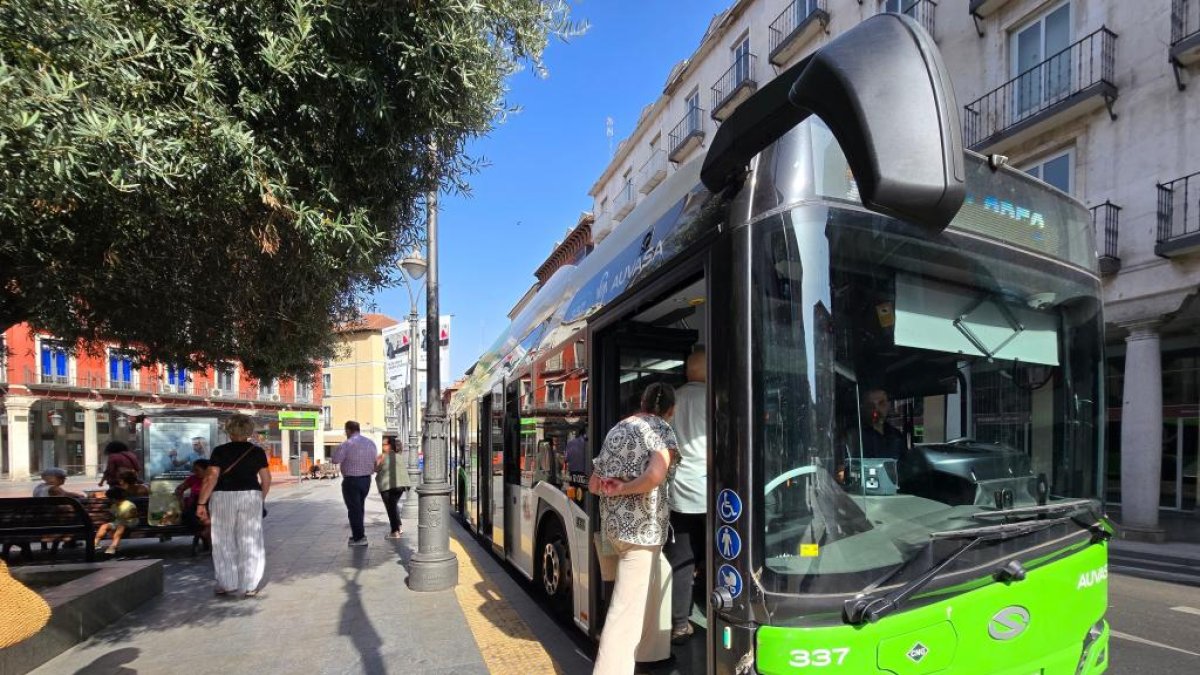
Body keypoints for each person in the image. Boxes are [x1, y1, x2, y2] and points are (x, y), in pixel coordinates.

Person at [590, 382, 679, 675]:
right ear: (671, 410)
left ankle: (652, 651)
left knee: (659, 576)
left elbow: (594, 484)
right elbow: (655, 475)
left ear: (641, 402)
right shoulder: (661, 429)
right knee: (624, 615)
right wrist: (626, 488)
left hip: (613, 529)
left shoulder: (617, 430)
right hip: (641, 533)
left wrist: (612, 485)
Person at [197, 414, 271, 597]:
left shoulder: (220, 451)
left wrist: (201, 502)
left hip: (223, 496)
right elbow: (266, 479)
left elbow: (211, 477)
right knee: (251, 539)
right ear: (249, 431)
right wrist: (260, 498)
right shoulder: (257, 451)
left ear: (229, 431)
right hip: (251, 495)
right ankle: (250, 584)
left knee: (223, 539)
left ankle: (227, 583)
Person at [664, 349, 707, 643]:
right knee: (719, 554)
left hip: (679, 492)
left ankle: (679, 623)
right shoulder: (717, 397)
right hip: (711, 491)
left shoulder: (673, 401)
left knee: (682, 558)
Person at [332, 420, 378, 547]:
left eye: (345, 431)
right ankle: (358, 534)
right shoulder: (371, 443)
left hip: (351, 481)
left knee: (354, 509)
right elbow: (375, 463)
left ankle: (359, 538)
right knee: (359, 508)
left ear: (348, 430)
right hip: (366, 480)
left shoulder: (347, 444)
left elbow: (335, 460)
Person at [375, 437, 411, 540]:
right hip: (401, 485)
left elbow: (376, 469)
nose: (383, 446)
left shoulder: (382, 456)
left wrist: (377, 461)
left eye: (385, 444)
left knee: (390, 508)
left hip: (387, 486)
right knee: (393, 505)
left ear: (390, 445)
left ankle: (395, 532)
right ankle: (398, 526)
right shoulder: (398, 456)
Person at [858, 388, 906, 460]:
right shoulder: (856, 436)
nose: (876, 409)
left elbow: (905, 463)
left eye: (881, 403)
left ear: (888, 405)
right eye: (870, 405)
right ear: (863, 408)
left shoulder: (896, 435)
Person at [176, 460, 212, 549]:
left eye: (197, 470)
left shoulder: (212, 479)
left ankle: (207, 538)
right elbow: (179, 489)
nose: (194, 472)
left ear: (206, 470)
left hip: (210, 505)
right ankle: (204, 536)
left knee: (209, 520)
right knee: (189, 516)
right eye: (193, 470)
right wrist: (181, 500)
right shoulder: (193, 478)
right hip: (194, 507)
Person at [93, 487, 139, 555]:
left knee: (120, 527)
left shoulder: (129, 505)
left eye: (110, 499)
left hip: (130, 522)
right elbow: (112, 516)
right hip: (118, 522)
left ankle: (113, 546)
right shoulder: (114, 506)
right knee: (104, 526)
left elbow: (132, 516)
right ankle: (95, 543)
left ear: (114, 499)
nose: (109, 500)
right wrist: (109, 522)